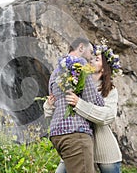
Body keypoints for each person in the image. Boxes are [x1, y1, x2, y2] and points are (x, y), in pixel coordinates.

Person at [44, 43, 122, 173]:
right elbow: (61, 111)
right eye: (91, 58)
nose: (91, 60)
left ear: (104, 69)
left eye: (96, 59)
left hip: (104, 150)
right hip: (78, 140)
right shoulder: (77, 81)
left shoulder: (110, 91)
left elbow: (108, 116)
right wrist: (49, 105)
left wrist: (79, 104)